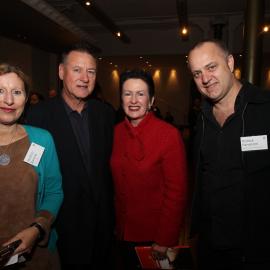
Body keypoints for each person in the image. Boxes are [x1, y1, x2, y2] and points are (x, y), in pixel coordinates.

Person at [26, 43, 115, 269]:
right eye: (77, 70)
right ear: (61, 72)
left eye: (91, 72)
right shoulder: (37, 117)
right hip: (61, 227)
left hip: (101, 226)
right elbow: (30, 175)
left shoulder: (105, 114)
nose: (85, 78)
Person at [188, 39, 270, 269]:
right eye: (197, 73)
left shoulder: (264, 108)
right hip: (211, 245)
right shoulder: (202, 120)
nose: (205, 79)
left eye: (211, 67)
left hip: (257, 249)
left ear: (230, 62)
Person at [110, 69, 188, 269]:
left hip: (154, 236)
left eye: (140, 94)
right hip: (122, 232)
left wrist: (164, 239)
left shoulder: (168, 135)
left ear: (151, 100)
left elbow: (177, 193)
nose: (133, 100)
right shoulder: (116, 132)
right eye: (128, 94)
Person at [0, 63, 63, 269]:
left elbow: (54, 192)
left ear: (26, 99)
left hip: (36, 257)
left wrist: (37, 229)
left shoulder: (41, 140)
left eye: (16, 92)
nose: (8, 100)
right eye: (0, 91)